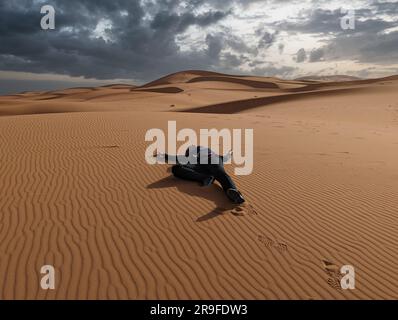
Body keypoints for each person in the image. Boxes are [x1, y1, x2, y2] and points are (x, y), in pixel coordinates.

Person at [155, 145, 245, 204]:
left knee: (219, 173)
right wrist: (164, 155)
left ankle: (233, 192)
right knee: (176, 169)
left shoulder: (201, 150)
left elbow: (225, 158)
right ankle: (206, 178)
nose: (187, 152)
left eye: (188, 151)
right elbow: (178, 159)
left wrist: (230, 153)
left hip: (212, 160)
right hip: (200, 167)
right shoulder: (191, 156)